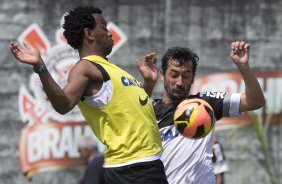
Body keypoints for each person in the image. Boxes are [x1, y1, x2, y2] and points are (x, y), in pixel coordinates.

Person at [10, 6, 168, 184]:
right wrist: (40, 67)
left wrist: (148, 83)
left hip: (145, 164)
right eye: (103, 27)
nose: (109, 33)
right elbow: (64, 104)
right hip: (131, 168)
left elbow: (135, 110)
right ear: (89, 34)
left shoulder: (113, 70)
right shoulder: (85, 67)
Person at [139, 41, 265, 183]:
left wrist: (243, 67)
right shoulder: (151, 110)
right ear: (162, 74)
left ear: (193, 79)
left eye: (186, 76)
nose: (180, 82)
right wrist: (148, 84)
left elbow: (255, 101)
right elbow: (129, 127)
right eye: (174, 75)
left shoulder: (205, 103)